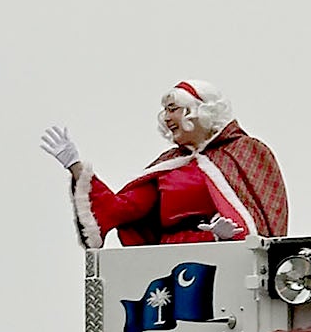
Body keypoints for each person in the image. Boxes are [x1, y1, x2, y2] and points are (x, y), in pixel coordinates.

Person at [41, 81, 288, 249]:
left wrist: (233, 238)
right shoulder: (170, 165)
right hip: (170, 261)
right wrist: (75, 166)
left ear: (199, 111)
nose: (167, 118)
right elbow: (121, 208)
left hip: (230, 265)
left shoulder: (245, 151)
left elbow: (262, 217)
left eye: (174, 109)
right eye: (165, 111)